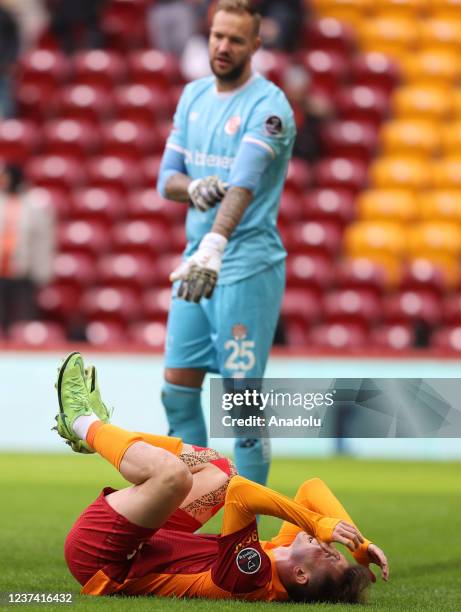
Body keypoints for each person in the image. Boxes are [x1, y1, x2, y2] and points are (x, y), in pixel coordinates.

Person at [53, 351, 389, 603]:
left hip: (103, 559)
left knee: (174, 477)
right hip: (142, 545)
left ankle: (83, 422)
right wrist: (360, 548)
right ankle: (100, 432)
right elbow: (311, 488)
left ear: (300, 575)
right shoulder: (284, 555)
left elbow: (242, 494)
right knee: (221, 470)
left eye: (330, 555)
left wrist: (317, 524)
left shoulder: (252, 576)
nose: (328, 545)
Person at [156, 0, 297, 485]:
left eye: (236, 39)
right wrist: (193, 188)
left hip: (245, 265)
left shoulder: (269, 108)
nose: (222, 46)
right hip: (197, 261)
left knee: (241, 403)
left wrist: (215, 243)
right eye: (217, 35)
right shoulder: (193, 96)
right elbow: (165, 179)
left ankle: (248, 531)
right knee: (177, 389)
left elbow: (245, 181)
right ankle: (204, 501)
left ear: (255, 45)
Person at [0, 164, 55, 332]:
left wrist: (43, 272)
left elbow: (43, 241)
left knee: (22, 320)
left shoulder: (35, 204)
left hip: (24, 272)